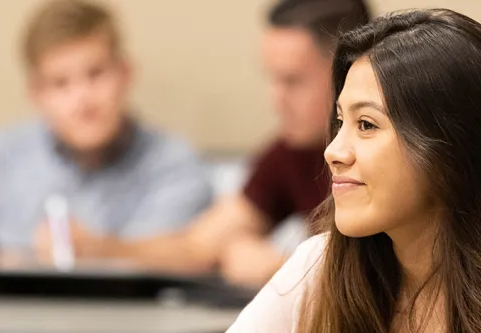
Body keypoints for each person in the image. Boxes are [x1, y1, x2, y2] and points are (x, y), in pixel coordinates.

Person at [136, 8, 481, 333]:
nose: (334, 151)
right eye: (340, 122)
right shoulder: (318, 271)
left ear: (450, 147)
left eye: (366, 124)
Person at [52, 0, 370, 287]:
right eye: (272, 79)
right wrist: (98, 249)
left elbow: (393, 274)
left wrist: (281, 265)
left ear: (348, 74)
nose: (275, 100)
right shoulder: (289, 153)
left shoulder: (391, 151)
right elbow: (196, 248)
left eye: (292, 81)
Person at [0, 0, 211, 267]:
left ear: (125, 73)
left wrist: (95, 250)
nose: (83, 100)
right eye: (61, 84)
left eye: (96, 74)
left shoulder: (173, 162)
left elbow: (191, 257)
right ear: (36, 94)